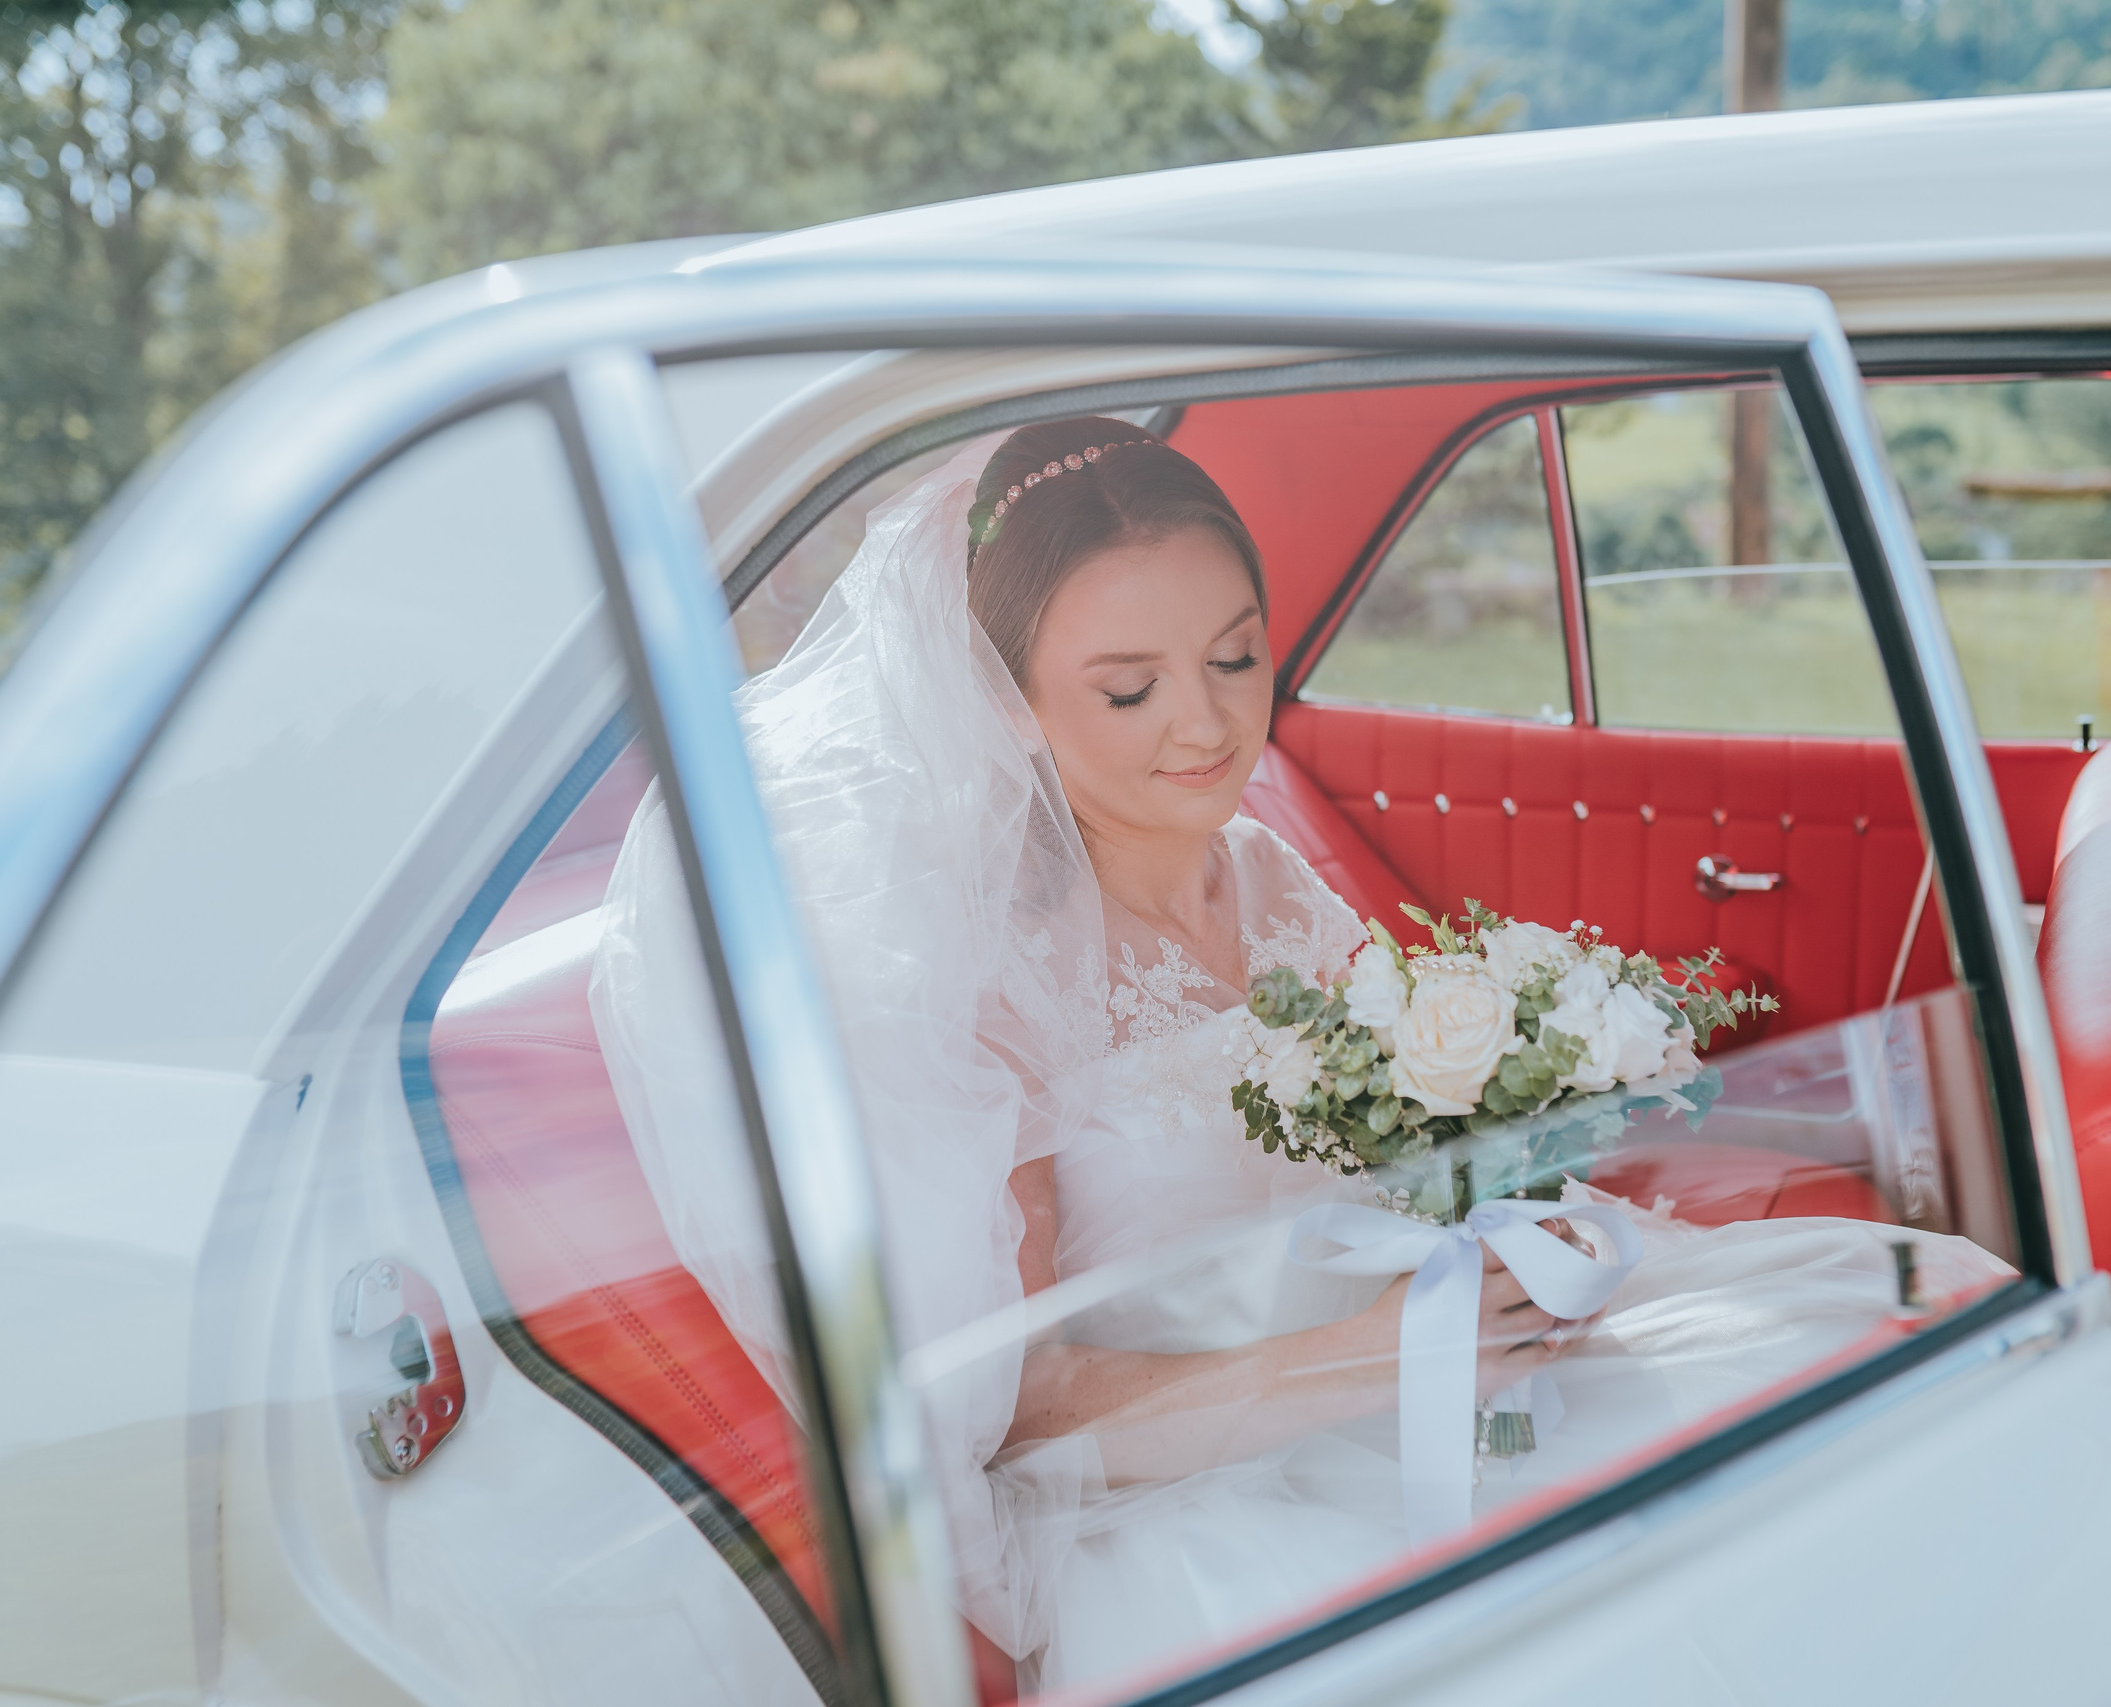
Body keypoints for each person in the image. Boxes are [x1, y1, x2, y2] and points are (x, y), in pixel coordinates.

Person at [590, 418, 2014, 1694]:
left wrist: (1510, 1228)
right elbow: (1023, 1412)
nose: (1206, 724)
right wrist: (1361, 1362)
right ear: (1013, 702)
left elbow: (1400, 1149)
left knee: (1924, 1354)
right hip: (1194, 1490)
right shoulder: (993, 986)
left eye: (1233, 656)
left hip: (1412, 1368)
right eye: (1127, 689)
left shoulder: (1267, 878)